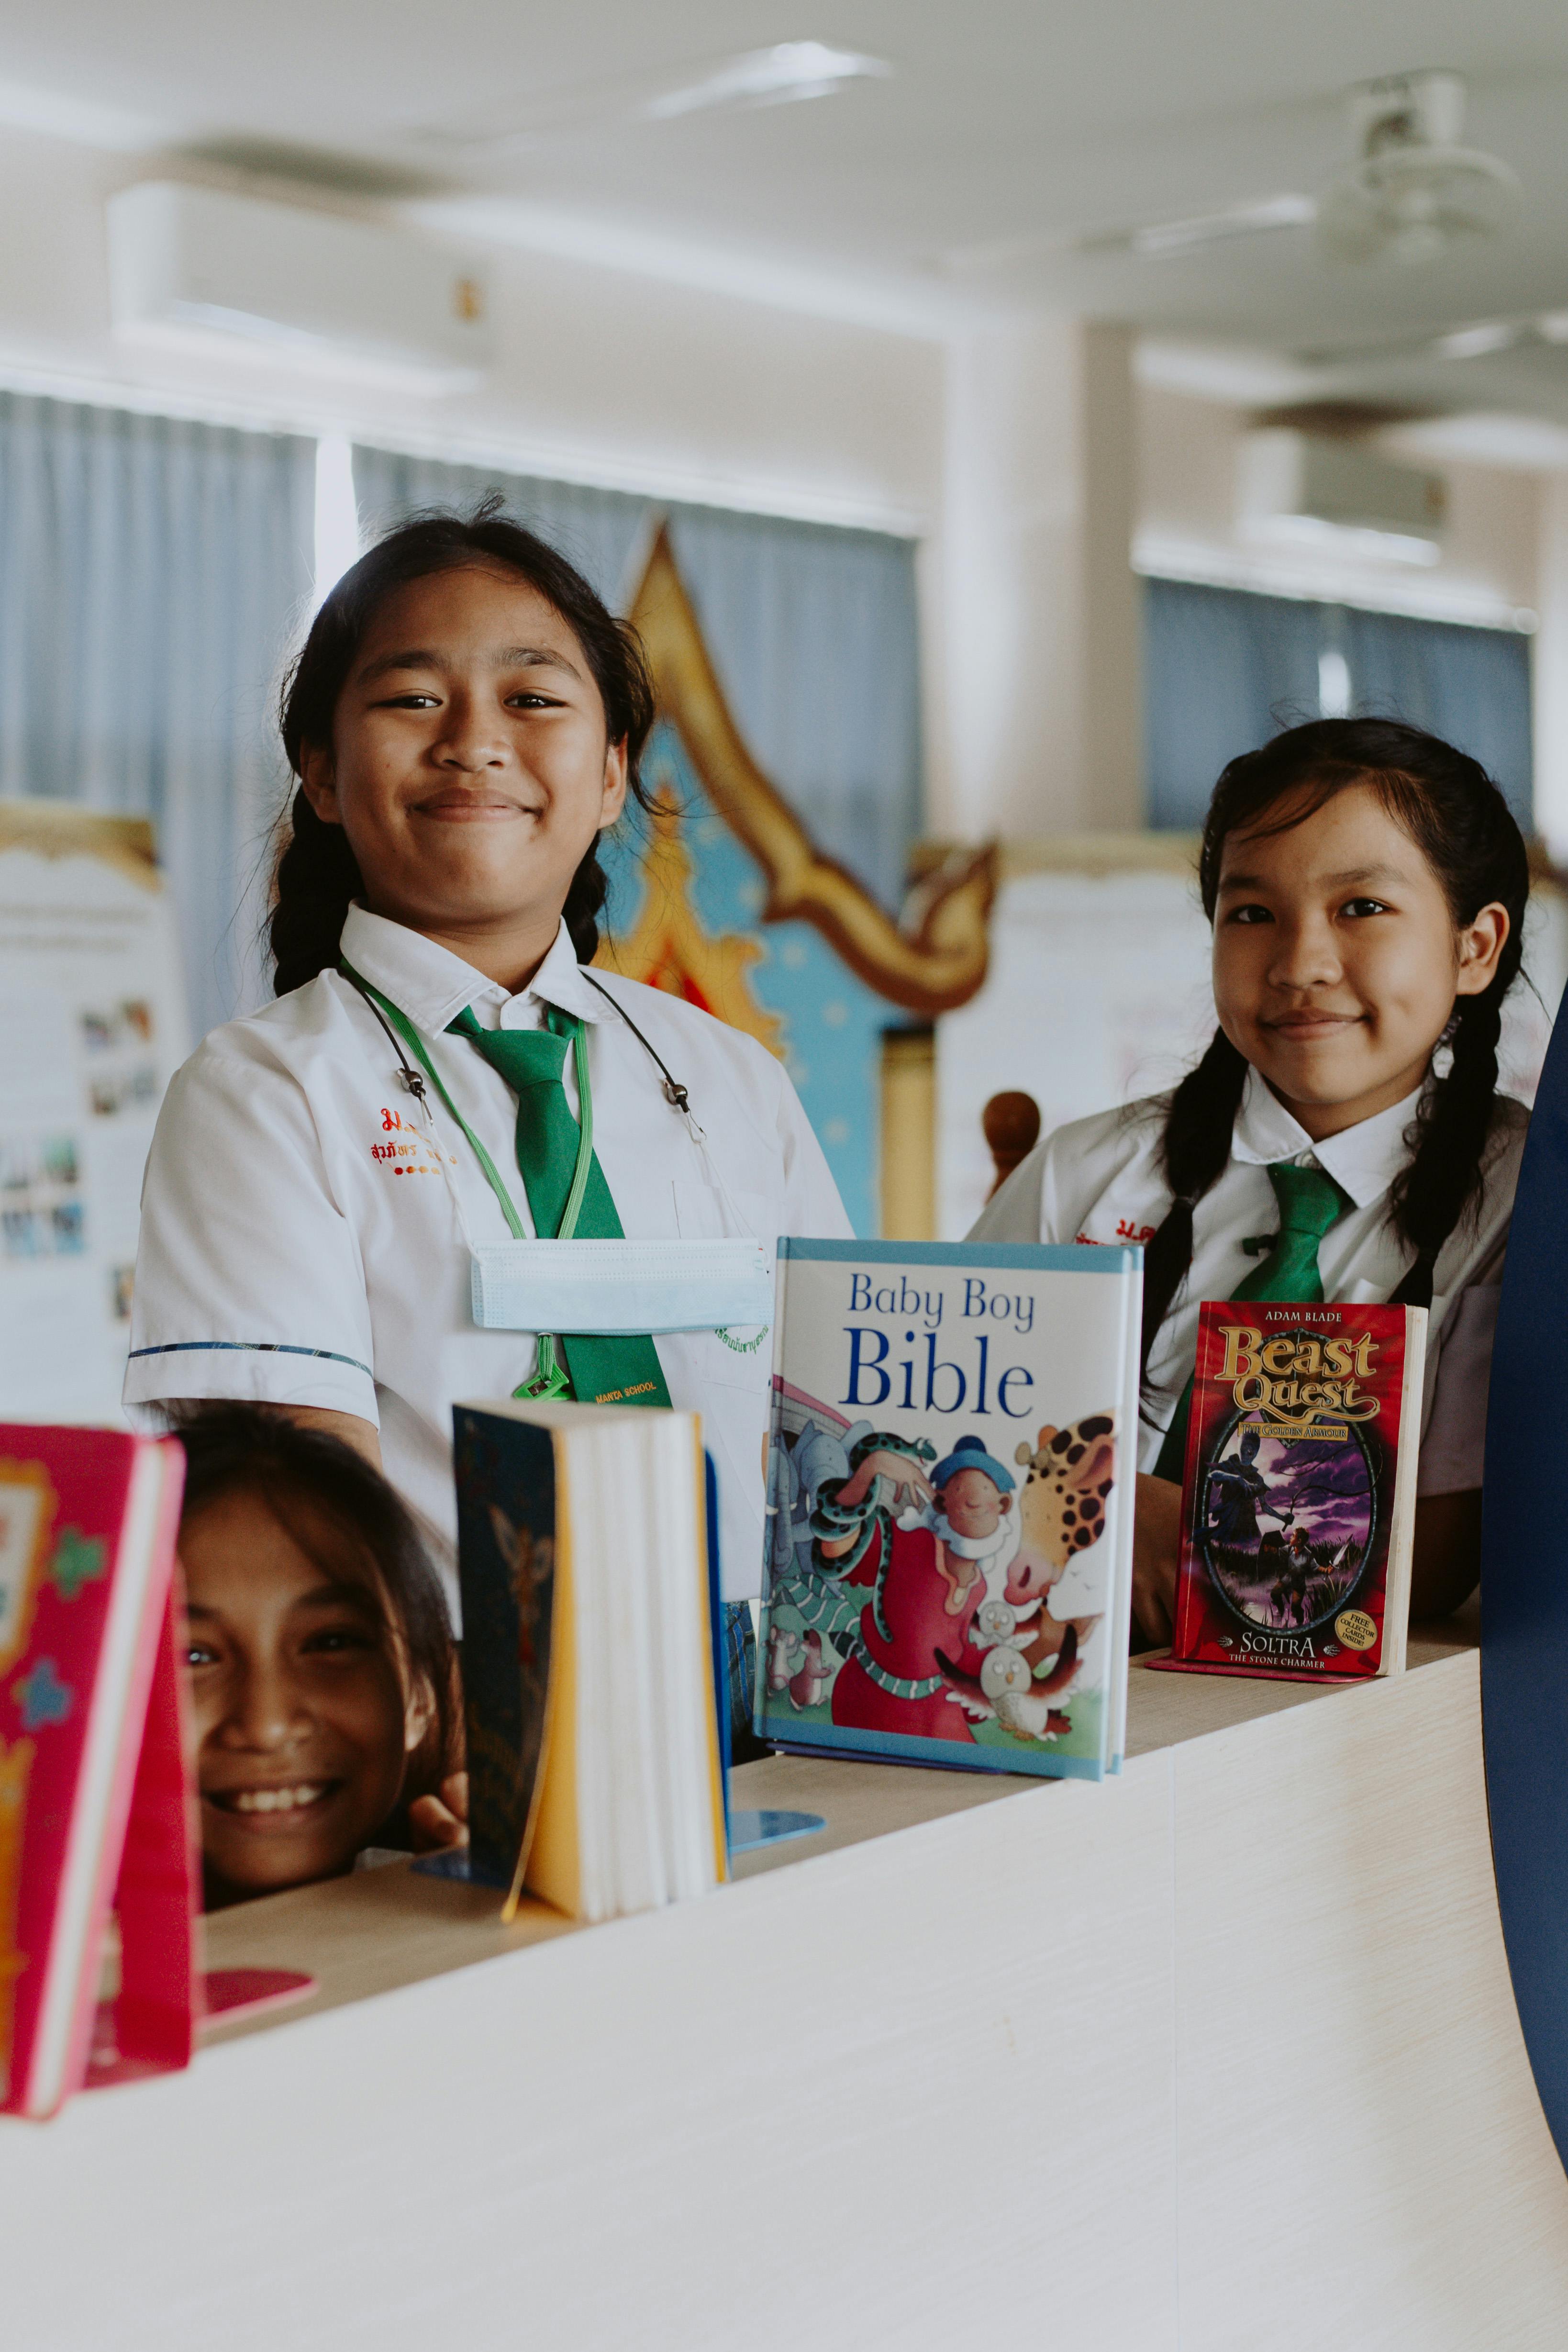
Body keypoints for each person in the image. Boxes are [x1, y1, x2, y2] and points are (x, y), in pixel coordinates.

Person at [125, 507, 852, 1678]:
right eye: (413, 698)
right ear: (320, 772)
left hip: (772, 1701)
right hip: (460, 1731)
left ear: (613, 774)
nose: (474, 741)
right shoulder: (263, 1093)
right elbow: (297, 1516)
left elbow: (836, 1410)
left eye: (534, 699)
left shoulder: (726, 1076)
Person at [969, 717, 1529, 1643]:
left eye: (1361, 908)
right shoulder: (1087, 1172)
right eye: (1251, 912)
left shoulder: (1522, 1204)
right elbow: (948, 1435)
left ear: (1474, 948)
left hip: (1344, 1740)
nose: (1300, 964)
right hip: (1058, 1679)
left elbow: (1426, 1564)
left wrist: (1137, 1518)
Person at [176, 1407, 466, 1909]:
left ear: (419, 1693)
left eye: (331, 1643)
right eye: (194, 1655)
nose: (266, 1726)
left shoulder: (458, 1906)